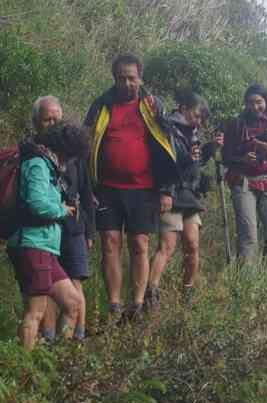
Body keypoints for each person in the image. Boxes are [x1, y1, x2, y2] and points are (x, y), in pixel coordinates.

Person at [84, 54, 178, 320]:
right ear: (114, 79)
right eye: (122, 78)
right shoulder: (101, 105)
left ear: (140, 78)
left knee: (140, 243)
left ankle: (136, 305)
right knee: (110, 243)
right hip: (107, 188)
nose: (127, 83)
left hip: (144, 188)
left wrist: (166, 189)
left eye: (132, 78)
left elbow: (168, 148)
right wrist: (86, 186)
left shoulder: (152, 106)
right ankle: (114, 305)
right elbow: (84, 144)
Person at [6, 122, 88, 350]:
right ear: (64, 150)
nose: (70, 161)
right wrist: (61, 209)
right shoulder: (37, 164)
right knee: (36, 311)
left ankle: (58, 362)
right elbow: (37, 204)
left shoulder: (48, 165)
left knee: (73, 303)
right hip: (32, 244)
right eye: (71, 156)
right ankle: (24, 370)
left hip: (46, 247)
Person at [146, 92, 223, 306]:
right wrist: (165, 190)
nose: (198, 121)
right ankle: (150, 292)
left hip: (190, 195)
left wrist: (210, 148)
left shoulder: (193, 133)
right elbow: (164, 163)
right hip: (171, 193)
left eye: (200, 118)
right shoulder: (167, 128)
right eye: (196, 115)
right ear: (183, 108)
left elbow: (192, 165)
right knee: (167, 247)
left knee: (192, 246)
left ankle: (187, 294)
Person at [31, 96, 96, 340]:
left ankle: (77, 338)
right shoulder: (32, 153)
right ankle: (49, 337)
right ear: (36, 122)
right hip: (45, 228)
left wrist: (90, 230)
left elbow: (87, 193)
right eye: (47, 119)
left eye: (56, 118)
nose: (52, 123)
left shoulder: (75, 151)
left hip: (74, 227)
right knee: (46, 285)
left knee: (76, 281)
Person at [221, 84, 267, 263]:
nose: (255, 107)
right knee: (248, 237)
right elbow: (226, 157)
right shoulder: (236, 124)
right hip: (243, 183)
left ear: (266, 102)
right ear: (245, 104)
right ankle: (247, 282)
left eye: (259, 102)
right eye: (250, 103)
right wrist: (243, 159)